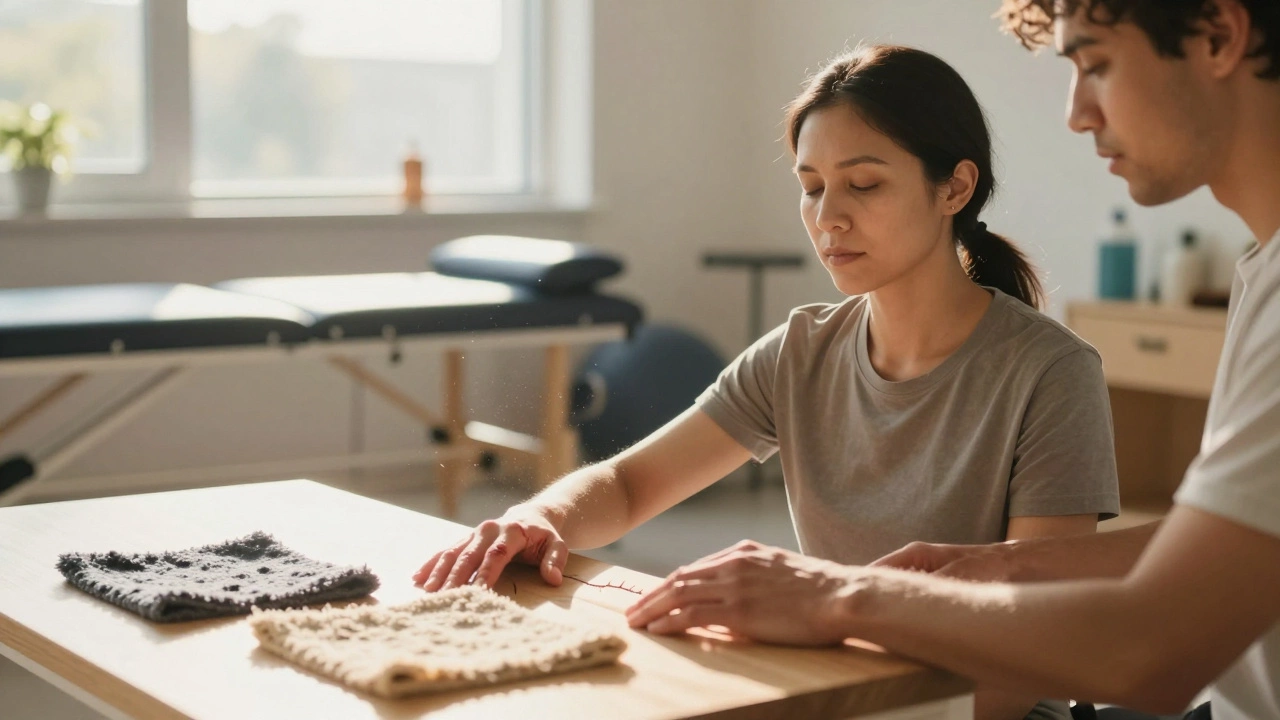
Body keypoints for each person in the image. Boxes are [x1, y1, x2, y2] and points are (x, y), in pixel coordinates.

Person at [417, 44, 1121, 720]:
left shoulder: (1051, 374)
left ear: (955, 187)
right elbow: (630, 485)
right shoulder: (801, 351)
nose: (828, 217)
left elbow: (1025, 657)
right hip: (828, 683)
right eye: (811, 188)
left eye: (864, 184)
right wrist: (543, 518)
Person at [624, 3, 1280, 720]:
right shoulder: (1262, 279)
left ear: (1218, 35)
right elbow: (1223, 549)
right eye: (811, 186)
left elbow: (1149, 652)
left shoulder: (1052, 366)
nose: (1075, 113)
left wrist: (836, 596)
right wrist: (993, 566)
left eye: (1095, 63)